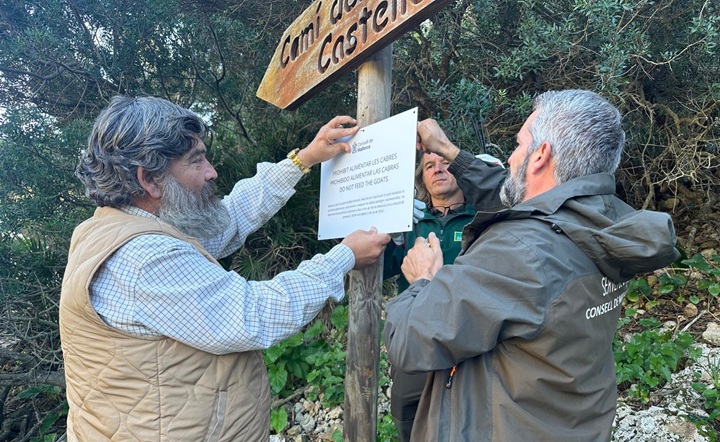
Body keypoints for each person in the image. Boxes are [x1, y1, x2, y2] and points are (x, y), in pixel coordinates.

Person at [59, 95, 390, 441]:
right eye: (196, 160)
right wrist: (344, 256)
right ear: (151, 180)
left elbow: (227, 220)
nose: (211, 172)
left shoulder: (119, 227)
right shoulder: (144, 258)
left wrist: (303, 159)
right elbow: (256, 314)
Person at [383, 90, 680, 441]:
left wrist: (422, 280)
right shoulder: (602, 224)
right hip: (567, 422)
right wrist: (450, 152)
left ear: (540, 155)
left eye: (519, 144)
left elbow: (409, 341)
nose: (510, 157)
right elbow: (517, 194)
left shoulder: (518, 249)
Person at [383, 151, 478, 441]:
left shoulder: (480, 218)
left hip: (465, 336)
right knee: (406, 409)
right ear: (422, 178)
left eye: (445, 163)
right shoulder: (411, 222)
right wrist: (389, 237)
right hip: (416, 334)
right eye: (429, 166)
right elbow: (383, 270)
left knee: (467, 415)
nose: (437, 170)